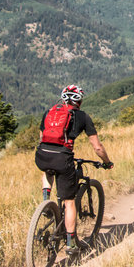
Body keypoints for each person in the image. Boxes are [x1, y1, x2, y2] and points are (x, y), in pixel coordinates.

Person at [35, 84, 113, 256]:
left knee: (48, 168)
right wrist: (107, 162)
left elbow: (42, 137)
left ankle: (46, 202)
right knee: (69, 201)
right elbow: (97, 147)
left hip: (42, 155)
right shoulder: (82, 117)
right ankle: (71, 243)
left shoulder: (49, 112)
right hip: (63, 158)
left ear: (63, 99)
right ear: (80, 101)